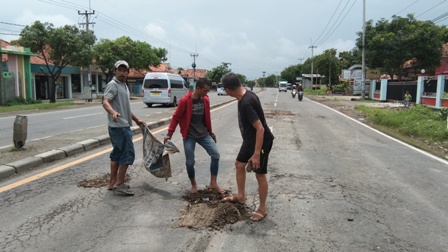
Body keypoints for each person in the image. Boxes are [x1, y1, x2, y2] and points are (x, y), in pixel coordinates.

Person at [220, 72, 274, 222]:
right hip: (249, 141)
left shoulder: (246, 102)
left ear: (227, 90)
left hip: (261, 142)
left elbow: (260, 129)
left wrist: (256, 153)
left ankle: (262, 209)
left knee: (259, 174)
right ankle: (241, 196)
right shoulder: (245, 96)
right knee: (239, 165)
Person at [163, 78, 224, 194]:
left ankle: (213, 183)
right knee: (190, 162)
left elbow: (206, 118)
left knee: (215, 155)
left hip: (203, 134)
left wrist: (210, 133)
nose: (206, 93)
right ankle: (193, 184)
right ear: (198, 88)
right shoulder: (185, 101)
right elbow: (176, 117)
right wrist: (169, 133)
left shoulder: (205, 99)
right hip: (189, 135)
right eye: (205, 91)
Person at [102, 60, 146, 195]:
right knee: (127, 154)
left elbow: (125, 108)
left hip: (119, 125)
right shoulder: (113, 85)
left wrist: (137, 120)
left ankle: (112, 182)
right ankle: (120, 183)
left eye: (124, 70)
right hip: (120, 126)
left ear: (128, 72)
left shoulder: (124, 86)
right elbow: (105, 102)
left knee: (117, 154)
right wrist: (113, 112)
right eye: (119, 70)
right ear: (114, 71)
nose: (122, 73)